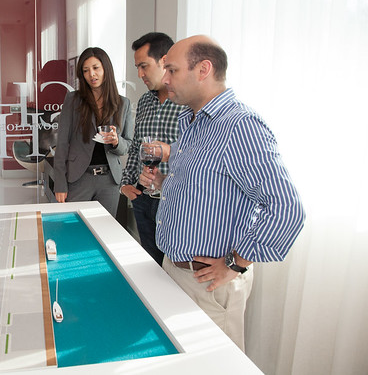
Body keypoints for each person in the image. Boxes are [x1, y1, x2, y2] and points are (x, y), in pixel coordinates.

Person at [146, 35, 305, 351]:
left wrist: (235, 262)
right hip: (173, 270)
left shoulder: (240, 126)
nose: (165, 80)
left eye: (172, 70)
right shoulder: (191, 121)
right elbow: (205, 187)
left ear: (203, 69)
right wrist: (163, 184)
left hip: (208, 284)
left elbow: (286, 208)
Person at [119, 32, 184, 266]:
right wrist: (126, 184)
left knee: (174, 268)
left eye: (144, 66)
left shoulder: (187, 103)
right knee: (151, 264)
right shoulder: (145, 101)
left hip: (174, 201)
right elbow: (137, 145)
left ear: (164, 61)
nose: (140, 74)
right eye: (137, 67)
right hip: (142, 197)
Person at [53, 47, 134, 217]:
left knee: (104, 228)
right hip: (79, 177)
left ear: (106, 69)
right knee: (74, 225)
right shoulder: (73, 100)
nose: (91, 74)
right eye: (85, 70)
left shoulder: (123, 104)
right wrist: (59, 183)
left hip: (109, 181)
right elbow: (62, 143)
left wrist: (116, 141)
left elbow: (128, 145)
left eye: (96, 68)